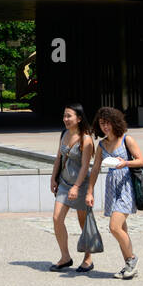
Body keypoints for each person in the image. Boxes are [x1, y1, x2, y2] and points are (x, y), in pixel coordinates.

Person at [87, 106, 142, 280]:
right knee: (122, 229)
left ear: (115, 122)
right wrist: (89, 192)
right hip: (112, 188)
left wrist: (125, 163)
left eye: (108, 123)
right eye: (102, 123)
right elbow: (95, 169)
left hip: (126, 187)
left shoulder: (127, 139)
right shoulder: (102, 145)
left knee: (114, 227)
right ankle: (128, 266)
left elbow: (141, 160)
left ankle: (132, 259)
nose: (105, 127)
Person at [48, 103, 96, 272]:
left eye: (69, 116)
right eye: (64, 116)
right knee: (56, 218)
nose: (65, 119)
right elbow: (58, 158)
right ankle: (65, 257)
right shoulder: (63, 134)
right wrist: (53, 178)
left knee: (83, 222)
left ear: (79, 118)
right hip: (64, 183)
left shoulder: (86, 139)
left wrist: (76, 186)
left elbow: (85, 166)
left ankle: (88, 258)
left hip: (80, 185)